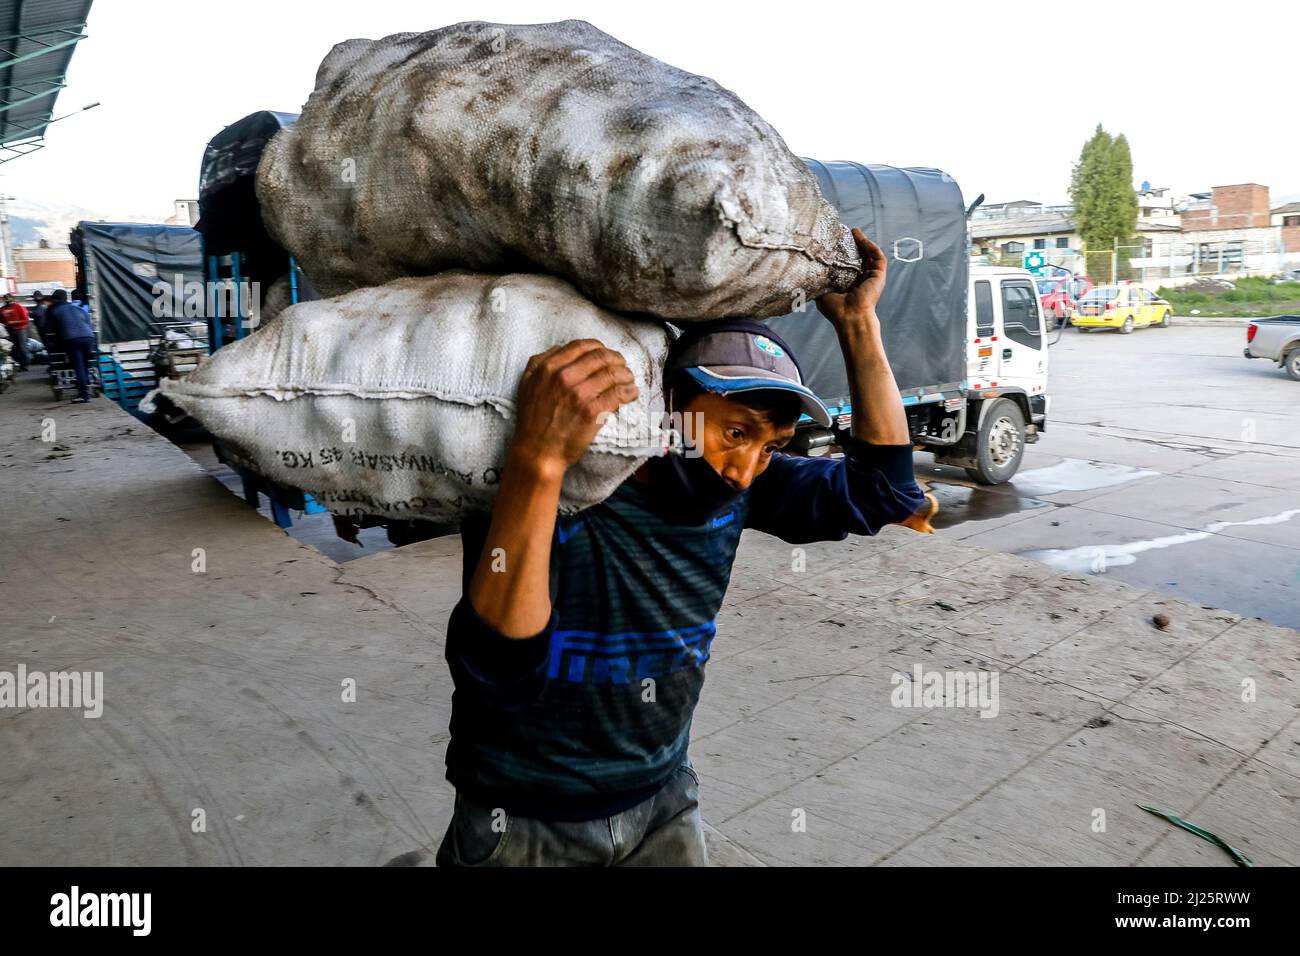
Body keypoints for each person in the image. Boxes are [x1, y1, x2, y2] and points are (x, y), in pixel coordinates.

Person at [436, 229, 926, 867]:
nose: (745, 468)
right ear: (669, 402)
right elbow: (498, 665)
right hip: (523, 818)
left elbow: (884, 491)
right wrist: (539, 460)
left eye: (772, 445)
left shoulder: (744, 490)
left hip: (665, 800)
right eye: (735, 431)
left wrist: (858, 323)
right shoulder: (569, 483)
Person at [47, 289, 96, 402]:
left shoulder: (55, 311)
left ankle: (84, 395)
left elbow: (51, 330)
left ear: (54, 300)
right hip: (88, 338)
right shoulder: (77, 308)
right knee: (85, 364)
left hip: (72, 339)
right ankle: (85, 386)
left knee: (78, 366)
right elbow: (88, 322)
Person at [0, 293, 30, 372]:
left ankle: (25, 365)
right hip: (10, 330)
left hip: (20, 330)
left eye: (9, 298)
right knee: (14, 349)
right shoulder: (2, 309)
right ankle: (20, 364)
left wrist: (15, 322)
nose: (7, 300)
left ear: (12, 299)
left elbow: (25, 320)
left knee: (22, 348)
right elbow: (1, 320)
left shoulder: (18, 307)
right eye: (5, 298)